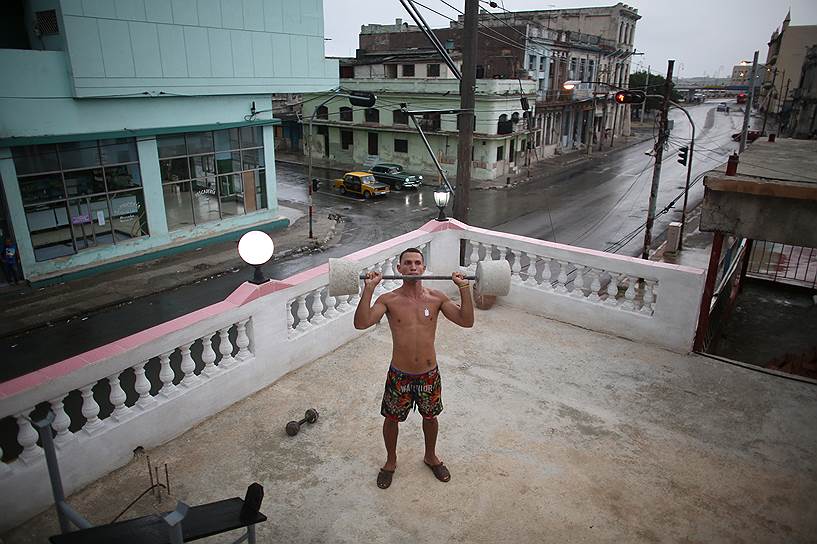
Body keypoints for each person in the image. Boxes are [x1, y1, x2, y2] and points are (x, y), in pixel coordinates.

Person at [354, 247, 474, 489]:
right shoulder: (388, 300)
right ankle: (390, 462)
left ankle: (430, 456)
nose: (412, 267)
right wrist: (369, 289)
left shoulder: (437, 298)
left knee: (430, 418)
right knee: (391, 419)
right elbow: (361, 323)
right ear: (399, 269)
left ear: (423, 267)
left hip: (429, 374)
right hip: (399, 374)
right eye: (407, 263)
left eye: (417, 263)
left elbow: (466, 321)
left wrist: (464, 289)